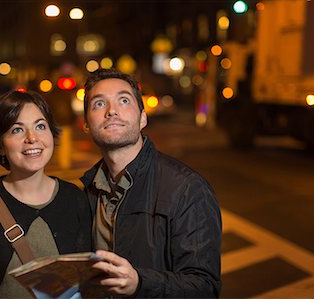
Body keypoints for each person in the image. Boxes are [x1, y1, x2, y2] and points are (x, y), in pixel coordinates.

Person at [80, 69, 222, 298]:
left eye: (124, 100)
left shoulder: (187, 189)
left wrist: (140, 283)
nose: (111, 111)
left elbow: (205, 288)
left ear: (143, 118)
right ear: (86, 123)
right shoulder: (88, 190)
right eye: (98, 104)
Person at [0, 90, 92, 298]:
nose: (32, 138)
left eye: (40, 126)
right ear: (1, 145)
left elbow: (84, 286)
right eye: (17, 130)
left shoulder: (75, 198)